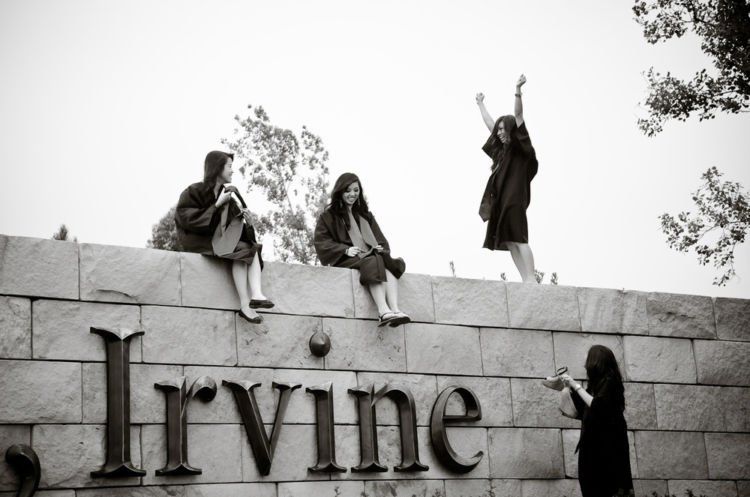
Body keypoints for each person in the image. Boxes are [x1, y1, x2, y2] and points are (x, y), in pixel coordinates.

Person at [175, 150, 272, 324]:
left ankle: (254, 296)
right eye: (229, 166)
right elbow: (185, 218)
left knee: (250, 247)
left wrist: (248, 223)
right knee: (243, 249)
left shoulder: (229, 197)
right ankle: (246, 304)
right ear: (217, 167)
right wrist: (217, 205)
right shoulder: (194, 191)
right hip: (200, 241)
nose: (232, 171)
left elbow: (238, 234)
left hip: (222, 241)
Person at [314, 173, 410, 327]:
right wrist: (344, 250)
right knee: (373, 259)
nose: (352, 194)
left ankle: (395, 309)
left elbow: (381, 240)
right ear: (340, 191)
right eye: (348, 190)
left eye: (356, 190)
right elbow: (321, 242)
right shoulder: (328, 216)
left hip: (369, 256)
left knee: (388, 261)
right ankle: (383, 311)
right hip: (347, 259)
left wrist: (379, 247)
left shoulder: (365, 215)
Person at [476, 74, 539, 283]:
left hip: (515, 198)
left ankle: (531, 277)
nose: (500, 132)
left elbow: (519, 115)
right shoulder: (501, 152)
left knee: (519, 238)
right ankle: (526, 280)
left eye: (504, 129)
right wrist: (480, 104)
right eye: (499, 130)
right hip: (502, 200)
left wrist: (518, 90)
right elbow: (490, 124)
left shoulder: (520, 147)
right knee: (510, 241)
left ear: (511, 130)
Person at [559, 345, 635, 497]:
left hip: (607, 450)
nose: (586, 365)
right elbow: (580, 409)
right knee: (591, 487)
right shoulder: (595, 386)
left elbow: (598, 406)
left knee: (604, 488)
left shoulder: (610, 381)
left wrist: (576, 385)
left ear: (596, 362)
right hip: (593, 449)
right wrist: (567, 388)